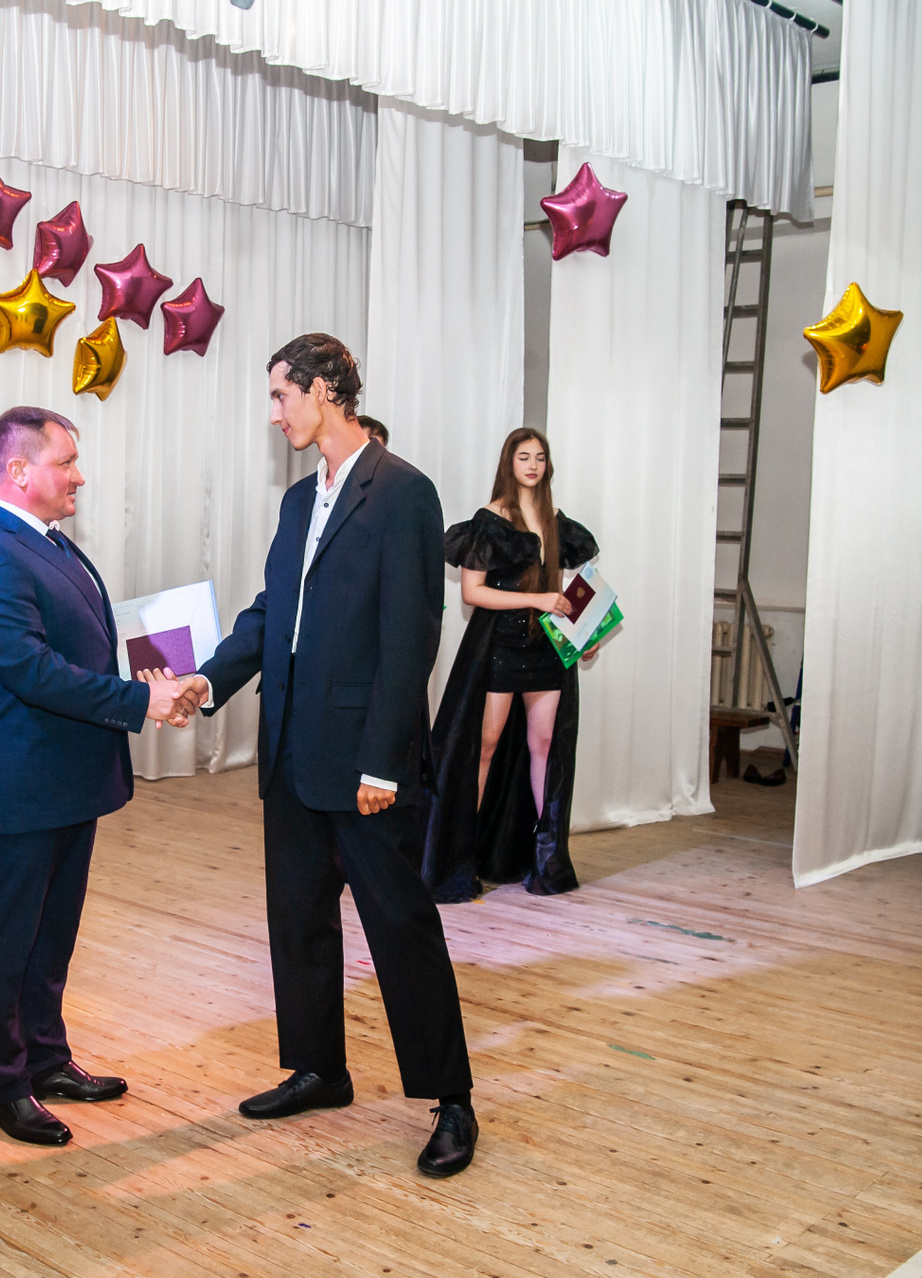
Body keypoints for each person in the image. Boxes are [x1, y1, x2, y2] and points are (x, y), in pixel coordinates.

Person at [169, 334, 478, 1178]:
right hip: (292, 753)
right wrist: (207, 679)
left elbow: (410, 637)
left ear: (326, 390)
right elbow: (273, 613)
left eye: (281, 396)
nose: (274, 415)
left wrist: (384, 762)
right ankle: (319, 1070)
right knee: (298, 921)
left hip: (364, 762)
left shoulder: (404, 491)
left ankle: (451, 1099)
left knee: (401, 930)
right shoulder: (299, 501)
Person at [0, 406, 190, 1147]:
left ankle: (47, 1060)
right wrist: (141, 701)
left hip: (67, 778)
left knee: (51, 936)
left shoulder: (48, 543)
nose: (79, 476)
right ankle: (2, 1085)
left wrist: (162, 672)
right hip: (22, 784)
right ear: (20, 471)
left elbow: (86, 648)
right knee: (7, 941)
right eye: (66, 462)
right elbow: (33, 672)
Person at [421, 427, 599, 903]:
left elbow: (567, 593)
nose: (533, 465)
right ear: (509, 463)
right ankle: (461, 857)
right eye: (524, 457)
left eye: (540, 457)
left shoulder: (556, 521)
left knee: (544, 745)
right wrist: (538, 599)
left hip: (545, 650)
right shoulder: (490, 520)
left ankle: (546, 858)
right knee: (484, 747)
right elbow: (472, 592)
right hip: (500, 646)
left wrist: (585, 636)